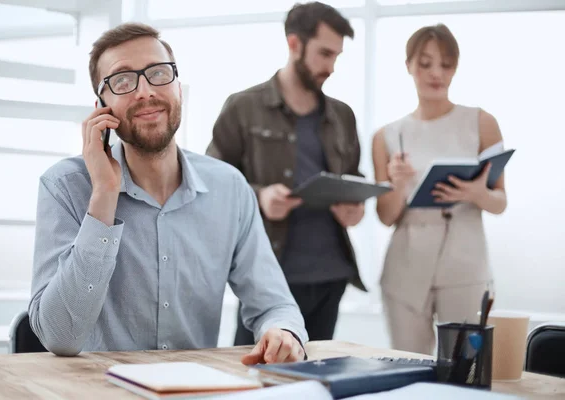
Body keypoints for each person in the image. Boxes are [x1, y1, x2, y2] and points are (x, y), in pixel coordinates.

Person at [28, 22, 308, 364]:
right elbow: (60, 337)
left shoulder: (230, 188)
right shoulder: (64, 186)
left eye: (158, 73)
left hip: (194, 389)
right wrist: (104, 194)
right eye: (123, 80)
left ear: (178, 86)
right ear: (102, 105)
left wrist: (282, 331)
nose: (145, 91)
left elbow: (274, 303)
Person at [206, 1, 367, 346]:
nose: (331, 66)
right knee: (248, 379)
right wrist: (260, 195)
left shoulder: (343, 115)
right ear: (294, 44)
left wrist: (355, 207)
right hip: (268, 276)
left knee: (313, 382)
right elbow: (212, 183)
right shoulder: (243, 107)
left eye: (337, 56)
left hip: (331, 276)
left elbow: (354, 177)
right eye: (324, 54)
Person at [372, 23, 508, 355]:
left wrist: (475, 193)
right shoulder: (386, 135)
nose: (436, 73)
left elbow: (500, 201)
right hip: (404, 267)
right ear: (409, 66)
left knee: (466, 370)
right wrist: (399, 184)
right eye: (425, 63)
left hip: (465, 262)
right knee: (408, 368)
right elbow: (387, 217)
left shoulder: (481, 121)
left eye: (446, 64)